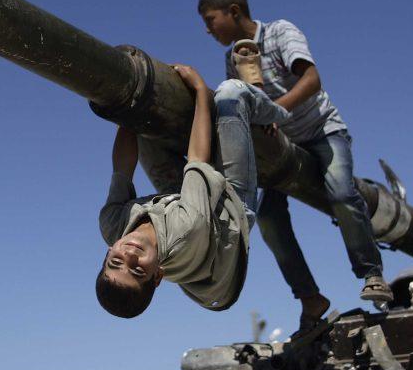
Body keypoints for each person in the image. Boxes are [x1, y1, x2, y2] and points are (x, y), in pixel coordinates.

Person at [197, 0, 394, 311]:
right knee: (269, 219)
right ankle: (309, 297)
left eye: (210, 20)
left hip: (321, 131)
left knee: (342, 194)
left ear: (233, 11)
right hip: (283, 148)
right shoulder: (234, 58)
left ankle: (372, 273)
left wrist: (277, 111)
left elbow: (312, 80)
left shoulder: (279, 32)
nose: (208, 31)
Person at [96, 65, 289, 317]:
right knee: (231, 95)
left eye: (117, 261)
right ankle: (281, 112)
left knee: (144, 125)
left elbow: (122, 168)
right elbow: (198, 158)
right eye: (138, 270)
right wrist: (200, 91)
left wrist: (128, 107)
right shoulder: (185, 231)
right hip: (229, 205)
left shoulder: (112, 225)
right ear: (158, 276)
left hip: (179, 201)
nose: (130, 255)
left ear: (109, 251)